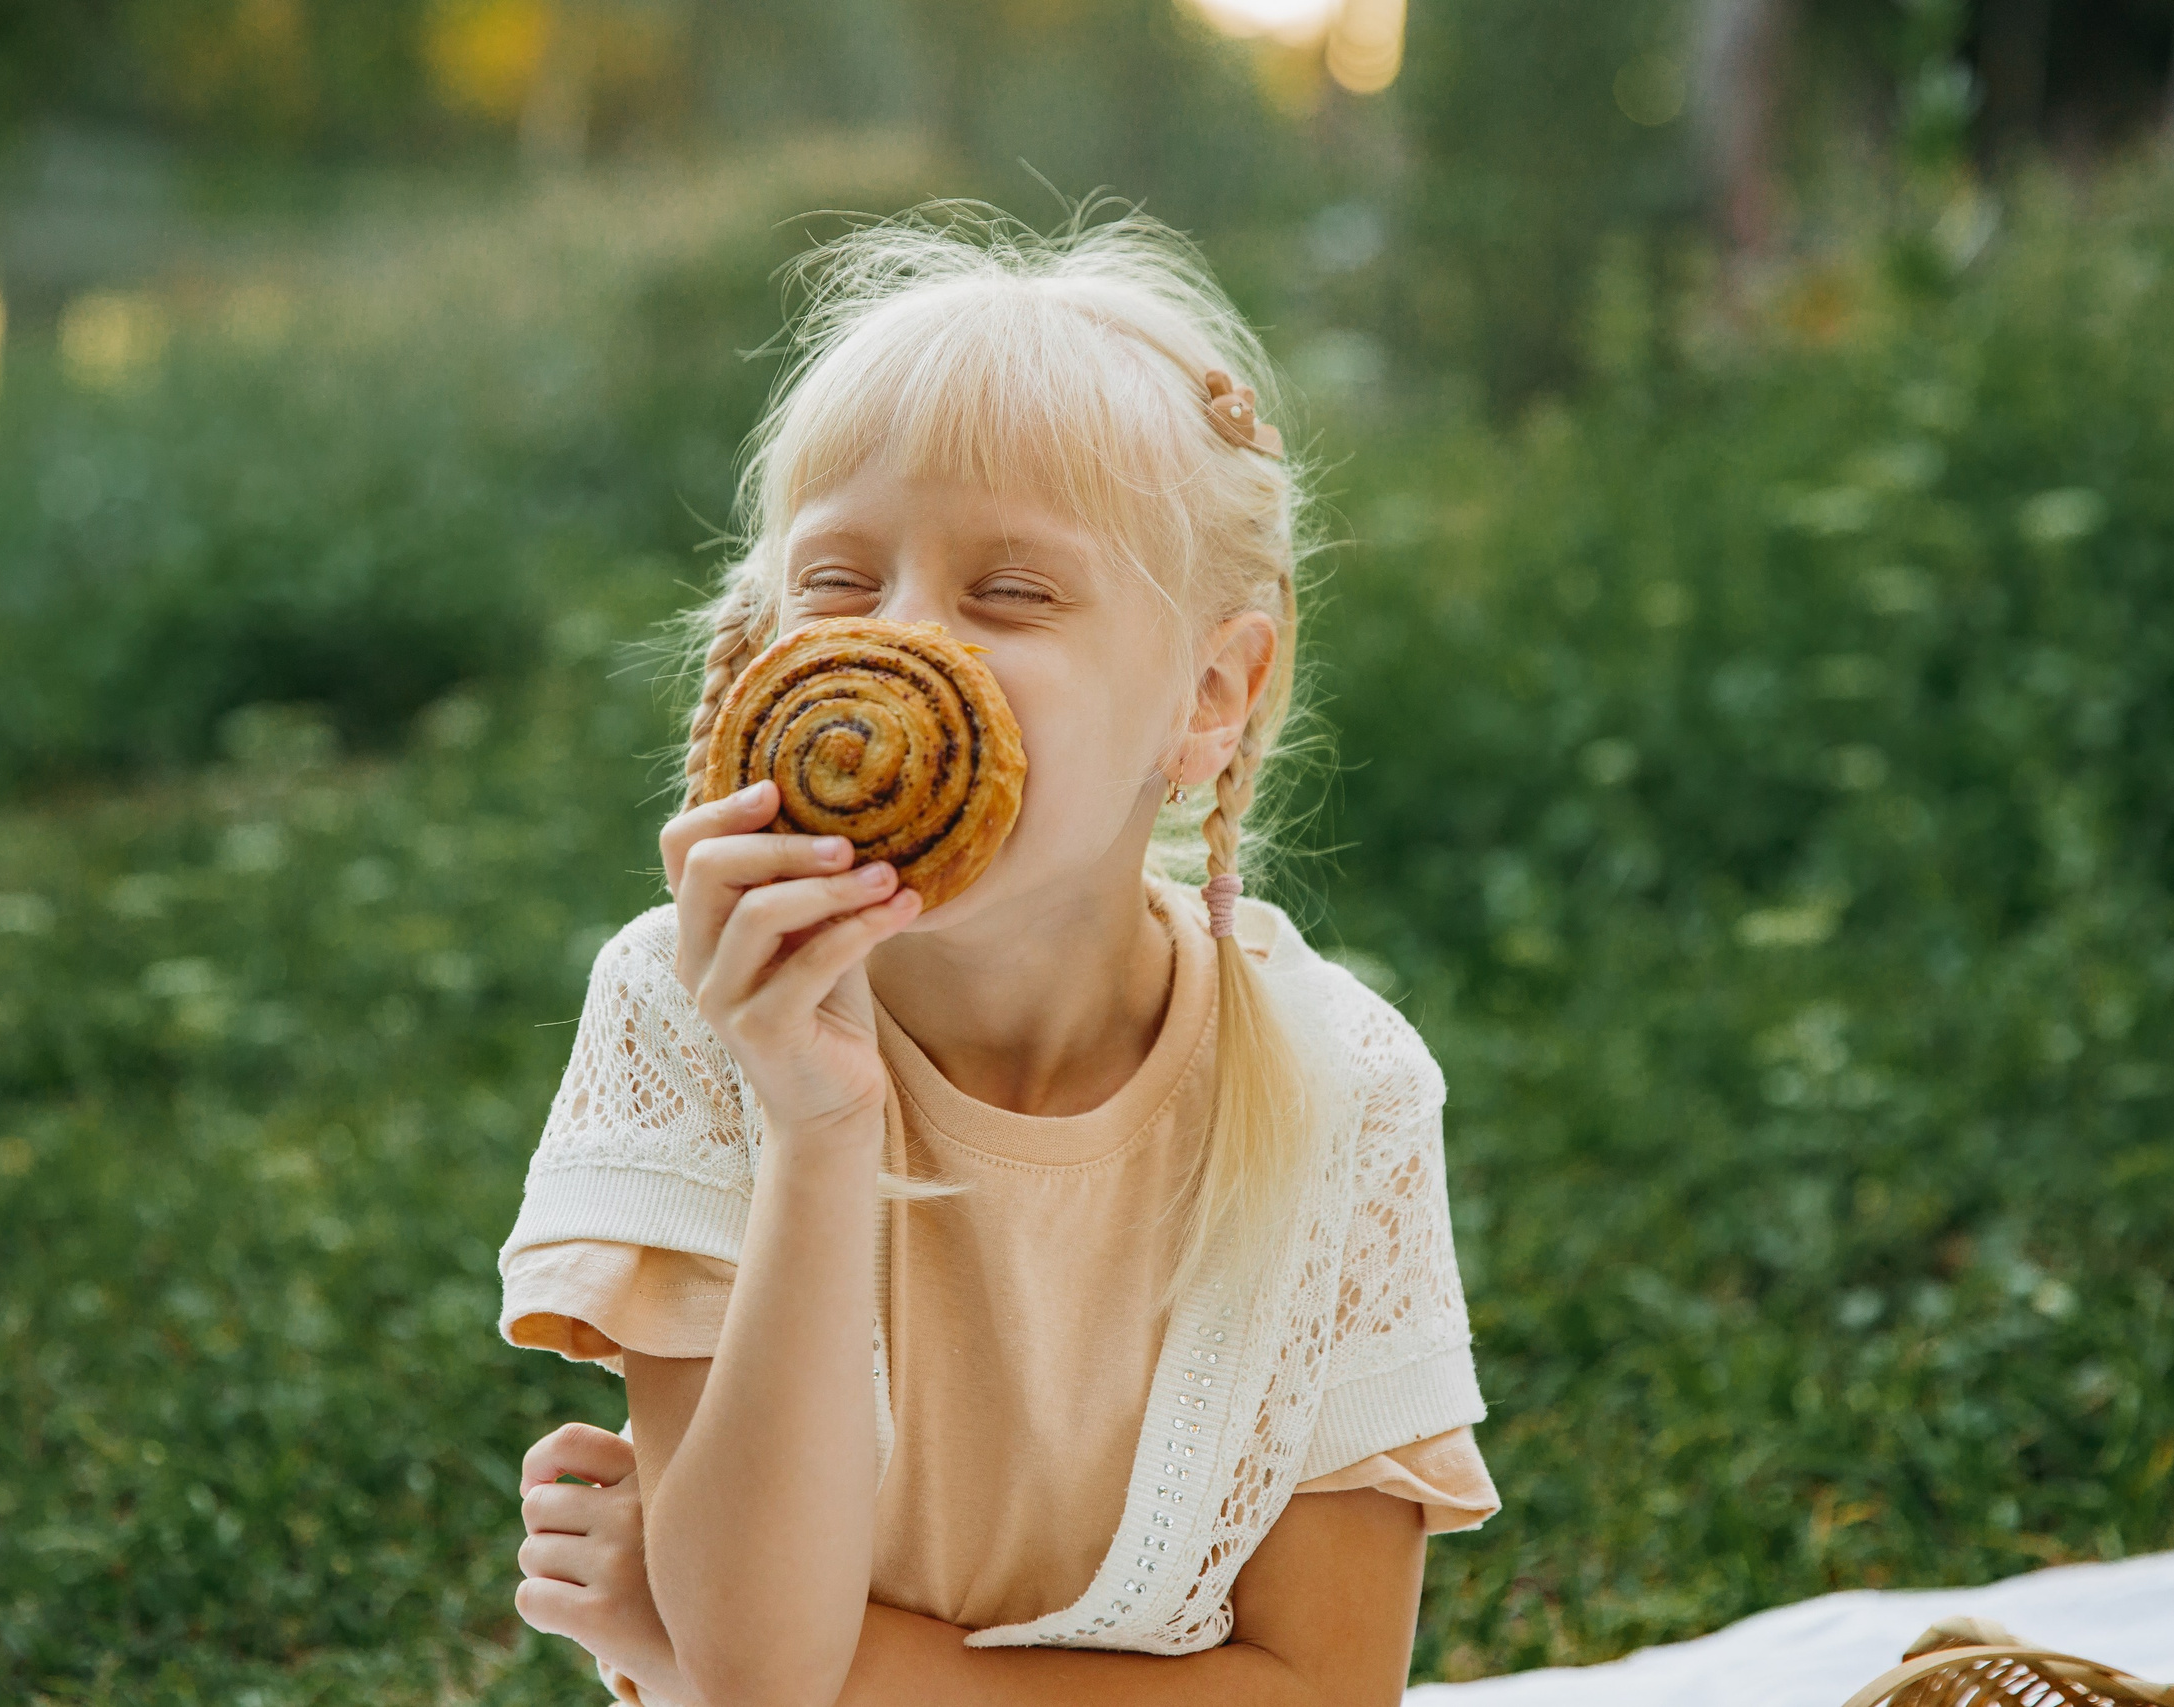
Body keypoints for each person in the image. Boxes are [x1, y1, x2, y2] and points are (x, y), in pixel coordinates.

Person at [494, 199, 1496, 1707]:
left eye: (1010, 592)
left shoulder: (1341, 1088)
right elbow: (764, 1668)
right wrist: (818, 1121)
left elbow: (1323, 1690)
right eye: (837, 584)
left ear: (1212, 695)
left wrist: (691, 1635)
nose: (902, 645)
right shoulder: (692, 1011)